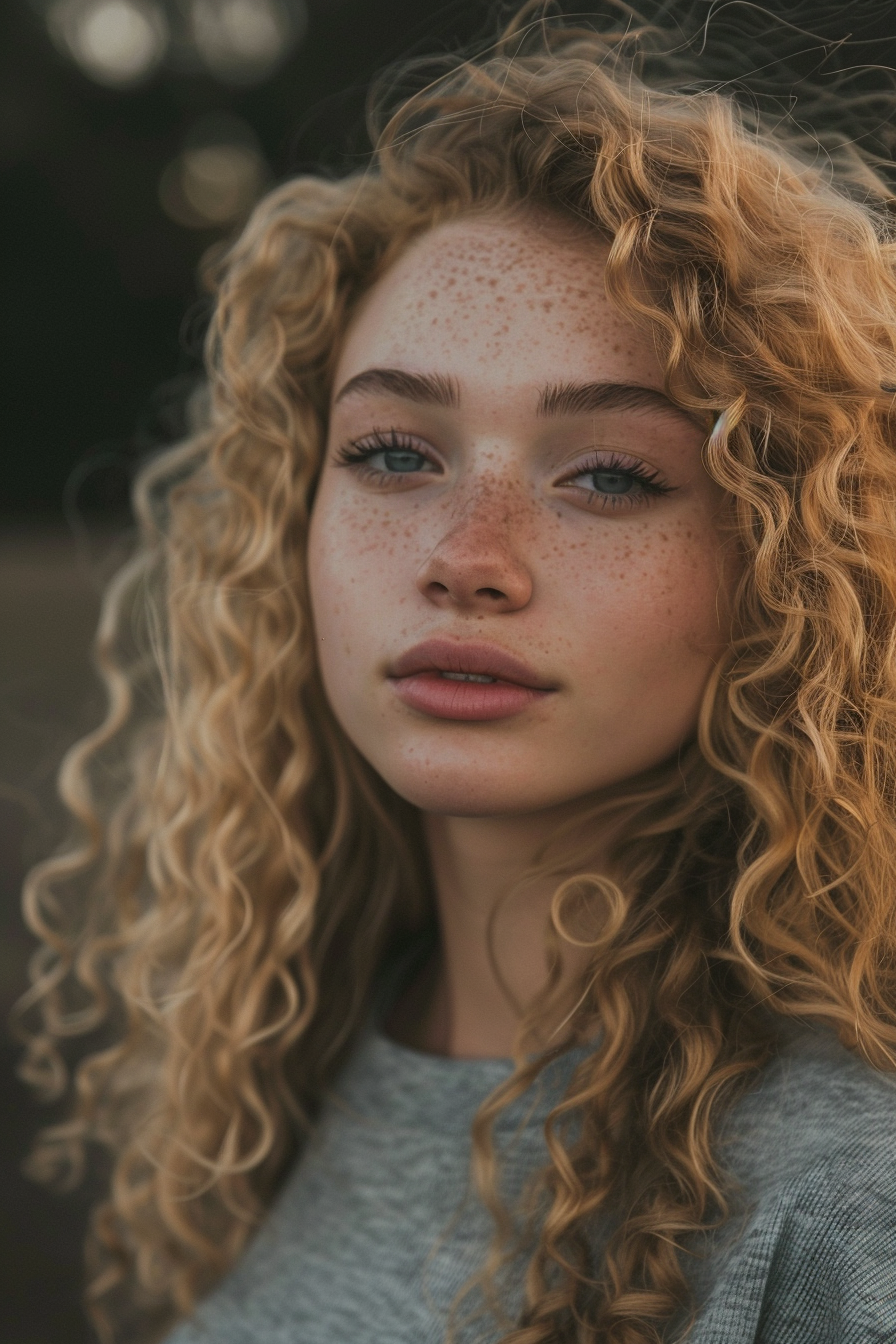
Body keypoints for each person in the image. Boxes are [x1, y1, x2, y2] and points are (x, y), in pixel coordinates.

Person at [17, 5, 896, 1342]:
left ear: (781, 566)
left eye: (609, 473)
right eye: (393, 454)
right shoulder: (283, 1066)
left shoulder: (845, 1195)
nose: (467, 558)